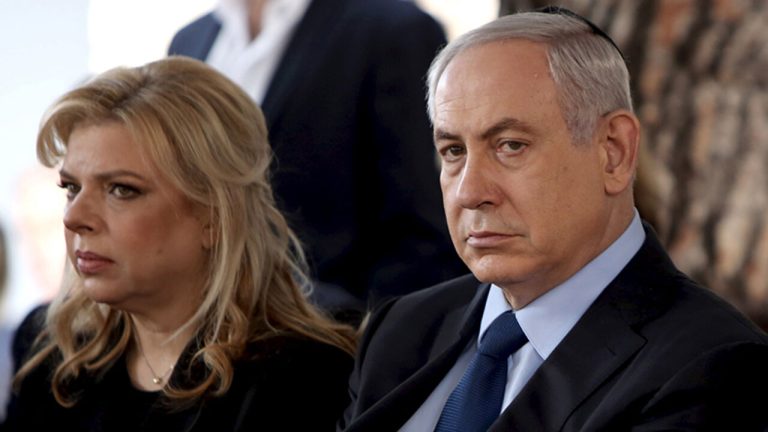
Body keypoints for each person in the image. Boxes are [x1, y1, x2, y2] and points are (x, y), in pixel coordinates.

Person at [340, 7, 768, 432]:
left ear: (614, 152)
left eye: (510, 145)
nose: (470, 192)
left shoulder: (714, 366)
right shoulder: (399, 330)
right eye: (453, 151)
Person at [1, 56, 356, 431]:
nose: (74, 217)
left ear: (215, 216)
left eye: (121, 190)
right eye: (72, 188)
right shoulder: (49, 351)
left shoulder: (306, 376)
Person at [168, 0, 467, 321]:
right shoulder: (191, 40)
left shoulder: (394, 28)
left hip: (331, 335)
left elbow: (418, 225)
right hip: (196, 326)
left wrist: (370, 345)